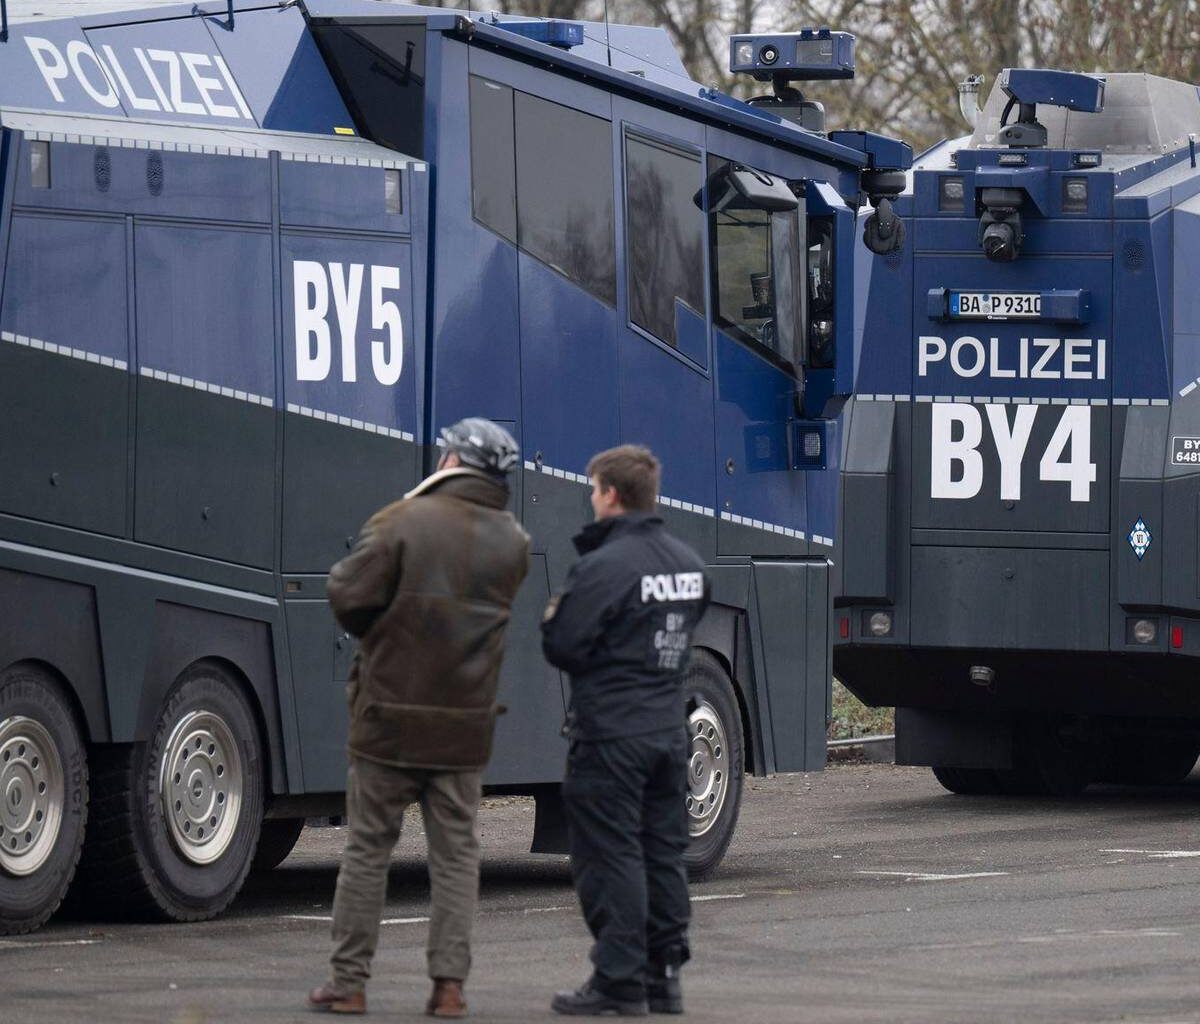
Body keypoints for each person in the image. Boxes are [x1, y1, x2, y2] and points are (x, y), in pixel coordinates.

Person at [307, 418, 530, 1018]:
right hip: (463, 727)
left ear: (454, 459)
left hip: (389, 722)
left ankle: (349, 983)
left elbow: (348, 596)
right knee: (456, 856)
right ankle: (449, 988)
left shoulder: (399, 522)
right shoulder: (512, 542)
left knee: (367, 850)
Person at [541, 445, 710, 1017]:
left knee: (608, 854)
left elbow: (562, 644)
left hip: (611, 735)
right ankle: (664, 976)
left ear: (611, 494)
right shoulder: (687, 563)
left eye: (594, 490)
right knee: (662, 852)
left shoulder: (604, 567)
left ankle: (618, 979)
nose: (592, 500)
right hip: (668, 730)